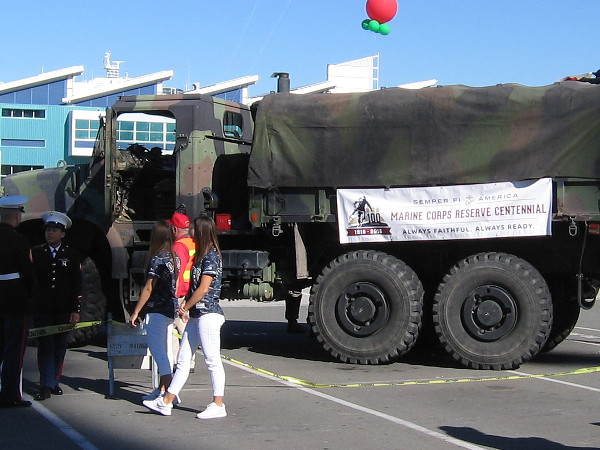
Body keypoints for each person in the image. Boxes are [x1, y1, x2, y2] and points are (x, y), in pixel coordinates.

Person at [144, 215, 226, 419]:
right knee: (183, 359)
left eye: (194, 230)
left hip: (208, 313)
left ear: (201, 232)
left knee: (212, 359)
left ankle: (218, 403)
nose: (190, 232)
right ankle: (167, 401)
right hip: (197, 315)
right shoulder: (201, 254)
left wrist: (185, 307)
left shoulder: (211, 256)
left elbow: (204, 289)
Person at [31, 211, 82, 401]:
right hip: (43, 308)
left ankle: (54, 381)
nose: (50, 234)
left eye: (54, 230)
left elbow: (76, 283)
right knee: (45, 345)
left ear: (62, 233)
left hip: (63, 308)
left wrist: (75, 310)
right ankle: (45, 384)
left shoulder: (71, 254)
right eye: (48, 230)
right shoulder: (37, 252)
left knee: (60, 345)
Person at [130, 219, 179, 400]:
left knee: (157, 350)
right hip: (169, 307)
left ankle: (169, 389)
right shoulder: (174, 257)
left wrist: (136, 311)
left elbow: (149, 288)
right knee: (165, 349)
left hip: (157, 308)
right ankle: (163, 389)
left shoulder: (157, 258)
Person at [0, 195, 35, 408]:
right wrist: (30, 297)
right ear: (15, 216)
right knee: (14, 349)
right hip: (14, 299)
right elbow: (29, 273)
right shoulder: (19, 240)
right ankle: (10, 394)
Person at [168, 211, 197, 373]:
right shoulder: (193, 242)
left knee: (174, 328)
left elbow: (177, 272)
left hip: (180, 292)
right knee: (186, 328)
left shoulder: (179, 246)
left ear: (175, 230)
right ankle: (190, 361)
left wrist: (175, 295)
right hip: (190, 290)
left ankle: (176, 361)